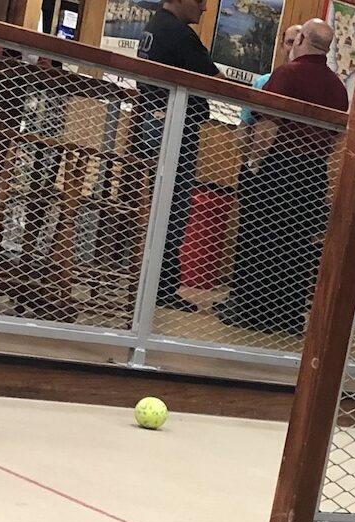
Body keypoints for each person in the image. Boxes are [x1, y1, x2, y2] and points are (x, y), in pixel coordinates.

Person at [215, 19, 348, 335]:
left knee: (262, 238)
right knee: (297, 245)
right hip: (314, 174)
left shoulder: (286, 75)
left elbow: (267, 127)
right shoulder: (338, 88)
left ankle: (251, 311)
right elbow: (335, 139)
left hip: (278, 168)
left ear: (301, 39)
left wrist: (254, 164)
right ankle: (287, 316)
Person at [135, 0, 220, 311]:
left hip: (154, 120)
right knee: (173, 207)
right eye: (200, 1)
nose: (204, 8)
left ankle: (155, 283)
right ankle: (162, 286)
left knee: (165, 204)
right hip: (173, 126)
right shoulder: (179, 34)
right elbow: (216, 81)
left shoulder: (155, 26)